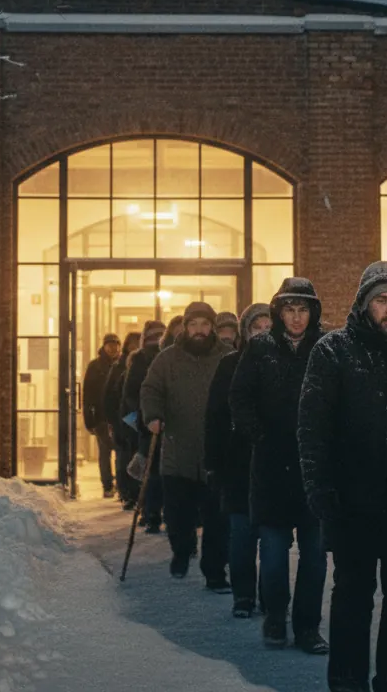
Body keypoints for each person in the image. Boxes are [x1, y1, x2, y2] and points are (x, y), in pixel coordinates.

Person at [298, 262, 387, 692]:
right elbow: (312, 428)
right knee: (352, 600)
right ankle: (347, 681)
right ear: (364, 304)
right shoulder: (334, 350)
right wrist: (320, 491)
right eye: (381, 300)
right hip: (352, 503)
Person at [232, 278, 330, 654]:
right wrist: (258, 434)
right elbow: (239, 397)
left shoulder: (325, 347)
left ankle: (307, 627)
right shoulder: (260, 348)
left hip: (313, 467)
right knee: (272, 553)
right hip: (271, 467)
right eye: (289, 309)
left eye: (303, 309)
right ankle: (275, 615)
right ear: (278, 312)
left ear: (312, 312)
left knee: (315, 555)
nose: (296, 317)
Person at [136, 302, 232, 588]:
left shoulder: (227, 357)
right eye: (194, 325)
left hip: (217, 453)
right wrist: (153, 416)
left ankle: (215, 573)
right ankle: (181, 550)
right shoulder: (167, 360)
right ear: (185, 327)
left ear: (212, 328)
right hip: (178, 452)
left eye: (205, 325)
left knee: (217, 520)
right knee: (178, 516)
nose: (199, 330)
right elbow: (150, 389)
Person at [205, 303, 272, 618]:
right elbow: (215, 416)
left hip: (274, 465)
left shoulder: (286, 362)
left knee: (273, 541)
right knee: (242, 536)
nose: (262, 332)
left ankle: (271, 598)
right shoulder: (229, 365)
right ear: (246, 331)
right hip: (237, 463)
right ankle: (244, 596)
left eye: (268, 326)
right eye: (256, 327)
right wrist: (213, 462)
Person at [122, 320, 167, 532]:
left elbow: (130, 392)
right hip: (154, 422)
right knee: (157, 470)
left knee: (153, 471)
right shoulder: (151, 358)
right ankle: (153, 512)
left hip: (150, 421)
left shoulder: (143, 358)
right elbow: (132, 392)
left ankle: (151, 513)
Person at [104, 331, 142, 509]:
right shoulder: (119, 367)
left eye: (137, 343)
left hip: (139, 419)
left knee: (137, 456)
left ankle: (137, 494)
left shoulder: (145, 364)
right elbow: (110, 396)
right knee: (124, 457)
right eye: (132, 344)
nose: (134, 347)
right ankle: (126, 492)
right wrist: (112, 420)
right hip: (124, 419)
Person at [81, 333, 121, 499]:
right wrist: (89, 420)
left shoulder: (123, 364)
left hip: (119, 417)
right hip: (102, 417)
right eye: (110, 345)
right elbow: (87, 395)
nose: (113, 348)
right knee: (104, 453)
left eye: (116, 344)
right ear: (104, 346)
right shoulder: (95, 366)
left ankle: (121, 484)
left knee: (121, 452)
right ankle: (107, 485)